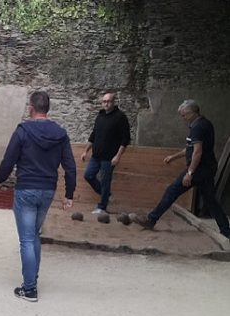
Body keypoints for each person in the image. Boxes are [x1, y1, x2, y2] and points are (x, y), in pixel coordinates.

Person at [0, 90, 76, 303]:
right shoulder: (61, 134)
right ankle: (33, 278)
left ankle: (29, 288)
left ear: (31, 107)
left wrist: (0, 179)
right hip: (47, 190)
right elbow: (70, 166)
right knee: (35, 234)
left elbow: (9, 158)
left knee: (27, 239)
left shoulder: (23, 130)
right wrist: (69, 194)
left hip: (26, 189)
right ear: (47, 108)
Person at [134, 100, 230, 239]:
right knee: (210, 200)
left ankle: (151, 219)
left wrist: (189, 173)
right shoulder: (204, 123)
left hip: (199, 169)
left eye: (184, 115)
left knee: (172, 191)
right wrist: (174, 156)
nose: (182, 118)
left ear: (192, 113)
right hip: (207, 168)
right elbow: (191, 148)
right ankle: (226, 230)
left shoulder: (198, 128)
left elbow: (197, 152)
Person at [80, 92, 130, 214]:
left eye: (108, 101)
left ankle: (102, 207)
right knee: (88, 175)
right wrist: (85, 150)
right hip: (96, 155)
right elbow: (94, 135)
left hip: (109, 157)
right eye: (104, 101)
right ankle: (106, 195)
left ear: (114, 102)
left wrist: (118, 156)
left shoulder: (120, 117)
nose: (106, 104)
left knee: (105, 181)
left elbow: (126, 139)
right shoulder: (100, 115)